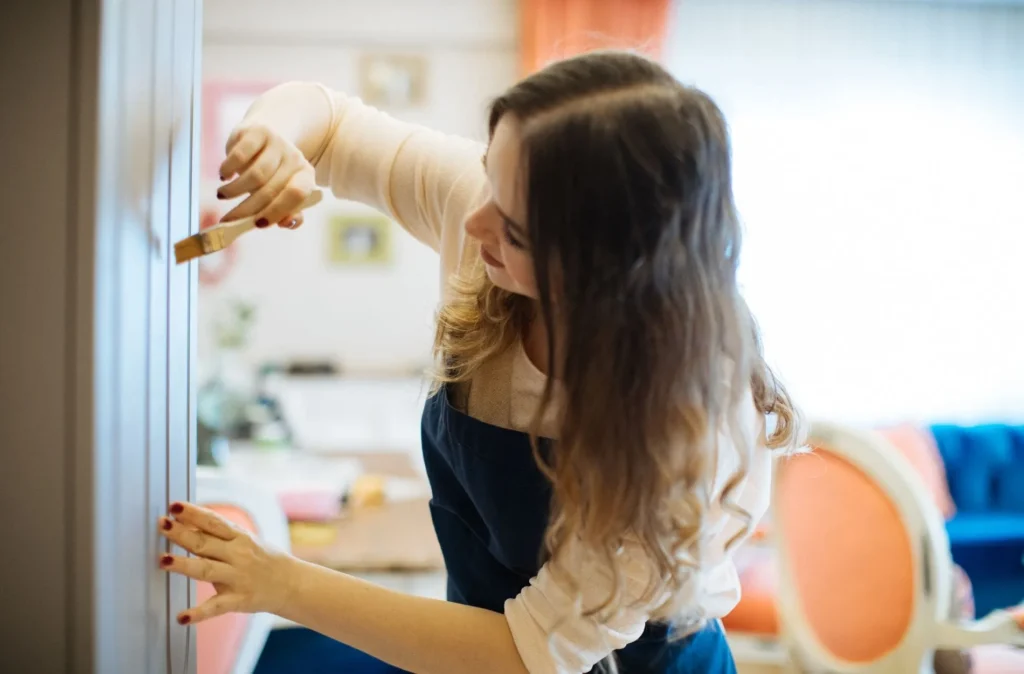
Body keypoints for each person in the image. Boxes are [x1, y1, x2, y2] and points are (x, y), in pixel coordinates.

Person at [158, 51, 802, 674]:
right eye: (490, 174)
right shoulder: (497, 219)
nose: (472, 221)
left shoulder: (687, 423)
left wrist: (282, 583)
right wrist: (271, 141)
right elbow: (330, 126)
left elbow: (522, 657)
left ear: (606, 269)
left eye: (515, 230)